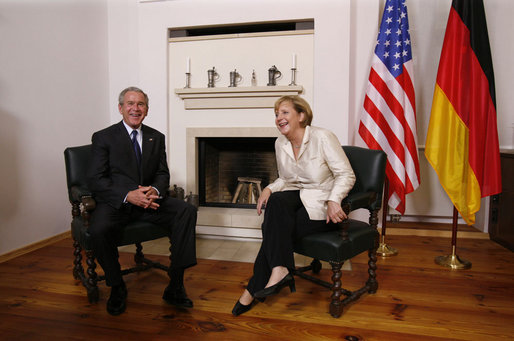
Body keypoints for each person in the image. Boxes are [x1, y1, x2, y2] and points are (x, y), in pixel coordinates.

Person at [232, 95, 356, 316]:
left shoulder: (323, 137)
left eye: (285, 112)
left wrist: (334, 200)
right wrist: (269, 188)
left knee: (272, 228)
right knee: (277, 203)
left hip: (323, 207)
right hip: (298, 201)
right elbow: (287, 180)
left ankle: (253, 288)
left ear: (301, 115)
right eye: (276, 114)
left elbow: (345, 174)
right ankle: (280, 269)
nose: (279, 118)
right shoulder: (280, 143)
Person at [87, 86, 197, 316]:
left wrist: (155, 189)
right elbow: (96, 179)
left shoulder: (156, 137)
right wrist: (128, 195)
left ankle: (175, 285)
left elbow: (162, 173)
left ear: (146, 109)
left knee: (186, 210)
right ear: (120, 108)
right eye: (130, 104)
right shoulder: (103, 137)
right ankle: (116, 286)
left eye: (141, 104)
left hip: (149, 201)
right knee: (98, 229)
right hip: (118, 202)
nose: (135, 109)